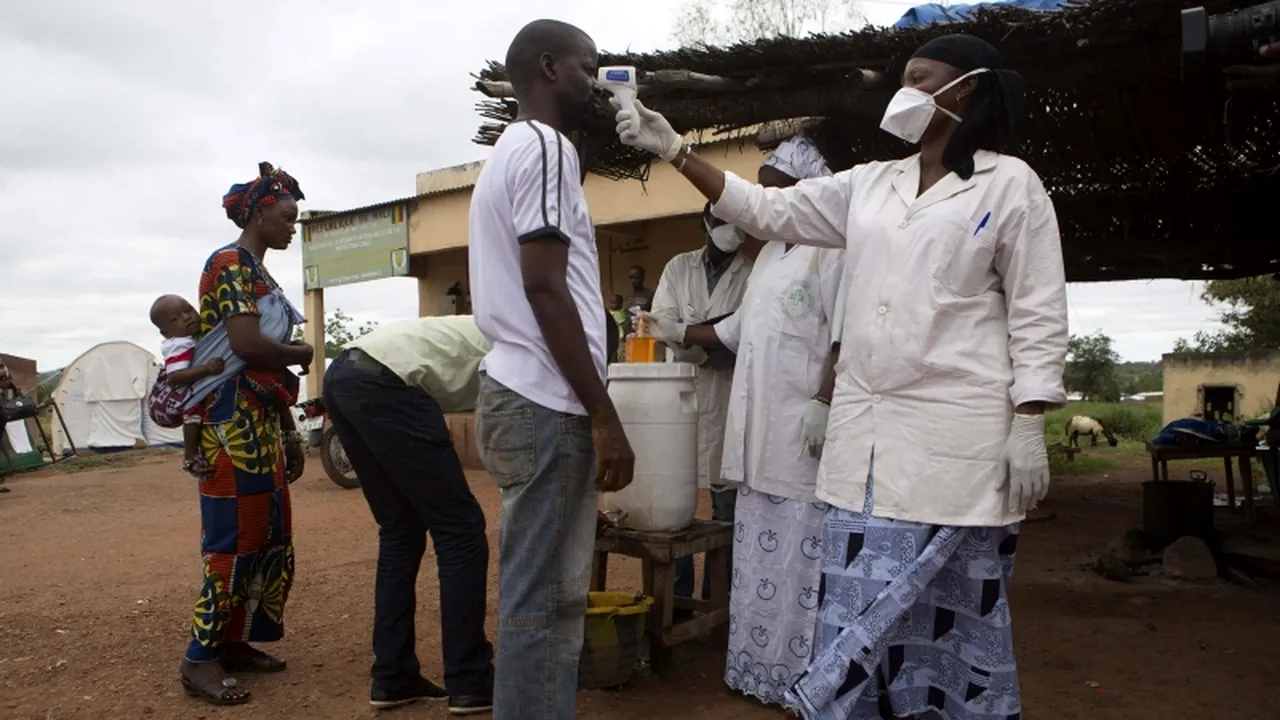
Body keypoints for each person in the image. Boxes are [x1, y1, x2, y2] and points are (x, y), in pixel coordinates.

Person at [618, 34, 1068, 719]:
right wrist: (677, 150)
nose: (905, 89)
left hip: (958, 445)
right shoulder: (871, 185)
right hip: (863, 444)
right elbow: (768, 210)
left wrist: (1031, 416)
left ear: (965, 91)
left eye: (922, 78)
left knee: (951, 612)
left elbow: (1038, 308)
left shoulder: (1010, 185)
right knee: (855, 606)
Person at [467, 19, 635, 720]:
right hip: (546, 402)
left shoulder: (518, 150)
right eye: (587, 68)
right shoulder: (542, 144)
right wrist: (604, 413)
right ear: (549, 67)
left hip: (526, 394)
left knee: (554, 597)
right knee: (543, 601)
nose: (596, 83)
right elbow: (544, 286)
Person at [642, 134, 845, 710]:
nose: (761, 203)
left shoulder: (831, 249)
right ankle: (760, 668)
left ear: (806, 196)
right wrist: (677, 331)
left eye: (774, 192)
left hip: (801, 440)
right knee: (760, 559)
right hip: (758, 444)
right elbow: (732, 331)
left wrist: (824, 401)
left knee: (804, 564)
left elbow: (846, 335)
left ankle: (804, 678)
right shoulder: (771, 259)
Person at [179, 162, 314, 706]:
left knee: (268, 538)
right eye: (286, 217)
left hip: (259, 421)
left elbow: (264, 370)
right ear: (260, 213)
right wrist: (302, 353)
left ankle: (233, 644)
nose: (292, 227)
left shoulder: (260, 273)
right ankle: (199, 658)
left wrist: (289, 433)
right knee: (233, 542)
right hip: (228, 424)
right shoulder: (231, 263)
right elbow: (247, 348)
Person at [323, 314, 495, 714]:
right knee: (461, 530)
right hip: (389, 381)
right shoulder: (526, 345)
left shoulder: (497, 324)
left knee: (400, 529)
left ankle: (393, 677)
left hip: (343, 375)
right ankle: (470, 680)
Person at [651, 203, 752, 602]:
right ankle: (678, 600)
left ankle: (717, 601)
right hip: (679, 397)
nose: (731, 231)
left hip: (730, 399)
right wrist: (710, 339)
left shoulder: (753, 271)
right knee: (677, 508)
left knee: (726, 510)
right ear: (705, 223)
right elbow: (661, 323)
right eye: (723, 222)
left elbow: (742, 335)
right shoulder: (679, 267)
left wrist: (691, 337)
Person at [149, 294, 225, 478]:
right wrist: (206, 369)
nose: (186, 317)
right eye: (175, 319)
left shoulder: (194, 338)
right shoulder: (178, 345)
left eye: (188, 309)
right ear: (166, 332)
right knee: (193, 412)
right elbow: (174, 377)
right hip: (173, 396)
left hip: (184, 389)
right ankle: (190, 456)